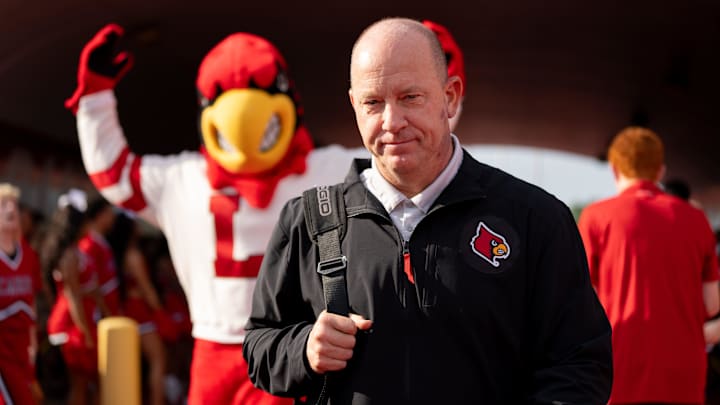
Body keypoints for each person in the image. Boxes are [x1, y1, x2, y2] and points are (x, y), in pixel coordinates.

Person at [244, 17, 613, 404]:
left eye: (410, 98)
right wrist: (304, 349)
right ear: (354, 105)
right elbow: (260, 346)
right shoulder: (308, 222)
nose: (391, 122)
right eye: (373, 102)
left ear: (450, 97)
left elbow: (580, 363)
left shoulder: (535, 219)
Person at [66, 24, 362, 404]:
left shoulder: (181, 178)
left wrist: (96, 96)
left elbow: (113, 171)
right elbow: (401, 160)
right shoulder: (329, 169)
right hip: (287, 345)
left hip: (271, 347)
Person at [578, 126, 719, 404]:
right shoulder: (696, 219)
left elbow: (579, 303)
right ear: (660, 171)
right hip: (684, 370)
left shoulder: (596, 217)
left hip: (618, 368)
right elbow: (712, 303)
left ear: (615, 169)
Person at [42, 190, 99, 405]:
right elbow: (72, 296)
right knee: (78, 386)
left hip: (70, 323)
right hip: (70, 327)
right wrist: (86, 332)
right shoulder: (68, 255)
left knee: (80, 385)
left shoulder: (71, 252)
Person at [106, 211, 168, 405]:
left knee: (136, 364)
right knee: (159, 360)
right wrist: (159, 311)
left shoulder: (118, 252)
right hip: (140, 312)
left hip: (127, 310)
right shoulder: (133, 255)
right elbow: (146, 287)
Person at [0, 183, 43, 405]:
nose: (10, 209)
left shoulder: (29, 254)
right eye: (3, 204)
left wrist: (33, 344)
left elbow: (31, 302)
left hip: (21, 345)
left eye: (13, 205)